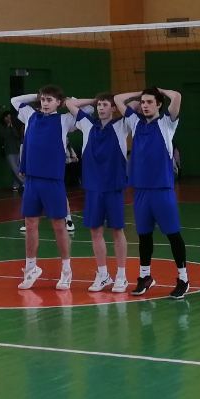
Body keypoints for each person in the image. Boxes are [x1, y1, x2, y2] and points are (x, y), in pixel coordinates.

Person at [115, 86, 190, 298]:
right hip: (140, 191)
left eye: (150, 102)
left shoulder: (167, 123)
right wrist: (139, 94)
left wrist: (160, 90)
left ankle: (183, 279)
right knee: (144, 236)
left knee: (173, 234)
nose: (145, 105)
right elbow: (118, 98)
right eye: (143, 103)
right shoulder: (135, 122)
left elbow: (177, 96)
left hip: (162, 190)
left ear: (158, 104)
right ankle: (145, 277)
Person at [69, 91, 135, 292]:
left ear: (113, 108)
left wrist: (120, 99)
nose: (100, 108)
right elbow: (69, 103)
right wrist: (94, 100)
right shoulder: (87, 124)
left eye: (105, 105)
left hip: (113, 187)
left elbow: (133, 105)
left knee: (117, 230)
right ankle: (103, 274)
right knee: (95, 231)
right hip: (93, 188)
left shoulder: (122, 125)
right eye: (99, 105)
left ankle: (121, 276)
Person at [12, 87, 76, 290]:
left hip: (53, 181)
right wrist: (37, 95)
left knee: (59, 225)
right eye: (43, 100)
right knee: (30, 224)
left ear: (58, 102)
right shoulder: (30, 116)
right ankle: (31, 268)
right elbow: (15, 100)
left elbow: (89, 110)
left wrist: (68, 101)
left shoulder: (64, 120)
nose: (45, 103)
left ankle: (66, 270)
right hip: (32, 180)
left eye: (49, 100)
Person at [0, 110, 25, 191]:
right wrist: (8, 127)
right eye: (7, 117)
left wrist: (12, 127)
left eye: (10, 117)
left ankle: (15, 185)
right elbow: (3, 136)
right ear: (3, 118)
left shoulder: (13, 126)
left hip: (16, 149)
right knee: (14, 168)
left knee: (17, 167)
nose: (9, 119)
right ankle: (24, 182)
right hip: (9, 150)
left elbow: (17, 136)